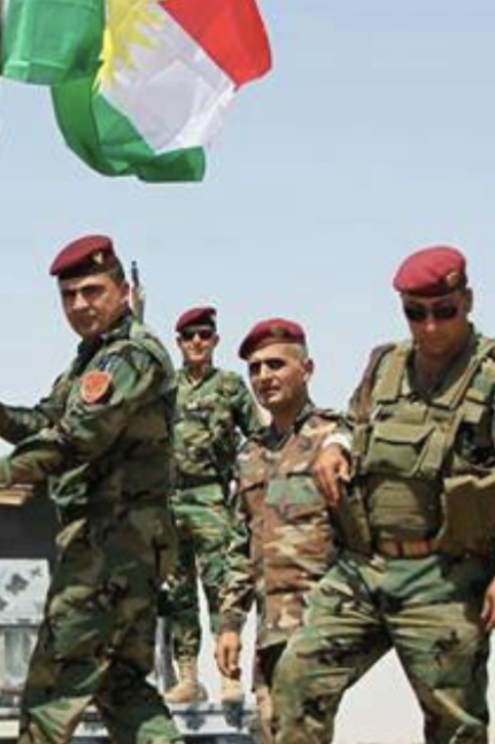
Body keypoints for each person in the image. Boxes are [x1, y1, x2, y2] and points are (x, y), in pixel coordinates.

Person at [273, 245, 495, 744]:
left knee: (455, 725)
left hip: (443, 578)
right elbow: (354, 423)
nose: (431, 327)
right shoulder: (385, 364)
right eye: (415, 314)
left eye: (445, 311)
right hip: (363, 567)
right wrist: (335, 446)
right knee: (297, 679)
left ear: (467, 300)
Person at [0, 234, 179, 744]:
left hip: (111, 544)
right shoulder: (90, 362)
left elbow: (78, 438)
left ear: (122, 291)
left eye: (92, 290)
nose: (80, 304)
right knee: (123, 689)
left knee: (50, 696)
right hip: (122, 544)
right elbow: (48, 421)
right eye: (68, 295)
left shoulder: (129, 357)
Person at [212, 318, 337, 744]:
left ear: (307, 368)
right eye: (255, 368)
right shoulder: (250, 454)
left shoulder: (335, 439)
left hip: (323, 623)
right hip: (270, 631)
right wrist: (229, 623)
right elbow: (240, 545)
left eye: (276, 365)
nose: (264, 377)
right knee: (270, 734)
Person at [158, 305, 259, 704]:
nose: (196, 342)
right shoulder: (166, 389)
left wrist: (248, 493)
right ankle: (187, 677)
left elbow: (256, 439)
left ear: (215, 341)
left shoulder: (230, 386)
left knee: (221, 586)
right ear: (179, 344)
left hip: (213, 498)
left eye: (204, 335)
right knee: (179, 592)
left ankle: (228, 676)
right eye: (188, 337)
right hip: (172, 501)